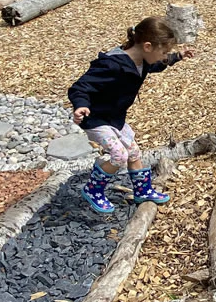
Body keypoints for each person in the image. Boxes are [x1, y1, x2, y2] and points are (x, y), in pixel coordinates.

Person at [67, 16, 193, 213]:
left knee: (134, 152)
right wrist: (81, 105)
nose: (164, 56)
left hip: (115, 118)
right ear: (148, 46)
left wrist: (177, 57)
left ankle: (142, 191)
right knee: (119, 155)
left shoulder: (142, 60)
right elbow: (80, 86)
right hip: (97, 119)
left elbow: (157, 64)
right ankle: (93, 189)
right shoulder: (112, 64)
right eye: (164, 52)